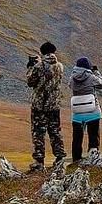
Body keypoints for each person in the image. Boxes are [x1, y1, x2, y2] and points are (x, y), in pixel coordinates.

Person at [25, 42, 68, 172]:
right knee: (55, 132)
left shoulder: (39, 66)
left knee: (38, 133)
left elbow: (30, 82)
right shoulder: (60, 66)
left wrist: (30, 67)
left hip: (39, 106)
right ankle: (60, 158)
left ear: (42, 52)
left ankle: (39, 161)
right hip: (54, 105)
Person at [69, 57, 102, 166]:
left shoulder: (72, 78)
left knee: (77, 138)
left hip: (77, 113)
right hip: (92, 111)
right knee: (93, 137)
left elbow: (70, 86)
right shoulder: (91, 77)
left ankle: (76, 160)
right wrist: (96, 72)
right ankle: (93, 158)